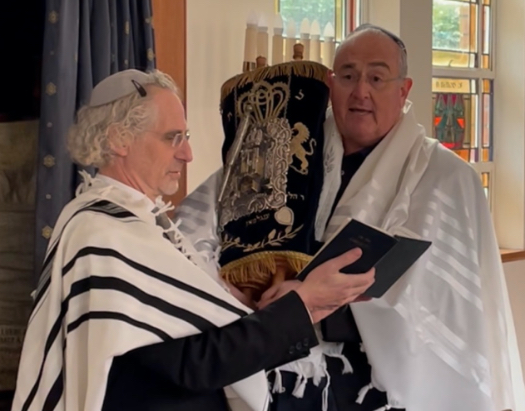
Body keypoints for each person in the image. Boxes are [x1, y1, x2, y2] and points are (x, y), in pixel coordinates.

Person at [174, 24, 523, 411]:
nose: (361, 92)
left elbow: (440, 305)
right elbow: (192, 230)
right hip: (277, 368)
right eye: (348, 76)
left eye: (376, 78)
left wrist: (306, 305)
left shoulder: (446, 177)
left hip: (376, 384)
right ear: (330, 84)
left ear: (404, 90)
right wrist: (229, 288)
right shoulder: (285, 152)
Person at [11, 69, 377, 411]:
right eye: (172, 138)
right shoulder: (103, 232)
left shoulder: (139, 225)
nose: (187, 154)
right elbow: (192, 363)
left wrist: (306, 305)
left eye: (185, 138)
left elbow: (201, 331)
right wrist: (304, 304)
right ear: (119, 139)